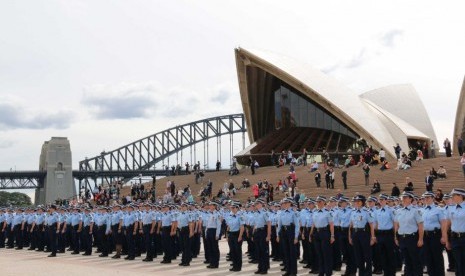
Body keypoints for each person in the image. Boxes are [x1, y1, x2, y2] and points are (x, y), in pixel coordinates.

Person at [394, 191, 424, 276]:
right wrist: (395, 237)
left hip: (412, 238)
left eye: (405, 197)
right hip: (402, 238)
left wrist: (421, 239)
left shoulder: (415, 211)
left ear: (410, 199)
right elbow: (397, 225)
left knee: (415, 259)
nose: (403, 199)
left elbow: (420, 226)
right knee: (406, 260)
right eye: (402, 197)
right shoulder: (398, 211)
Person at [349, 195, 376, 276]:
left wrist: (373, 237)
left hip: (364, 234)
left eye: (359, 201)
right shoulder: (353, 212)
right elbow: (351, 225)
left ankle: (368, 273)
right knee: (358, 255)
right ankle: (361, 273)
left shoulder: (367, 212)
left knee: (367, 255)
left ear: (363, 202)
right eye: (356, 201)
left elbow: (371, 226)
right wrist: (350, 237)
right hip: (355, 234)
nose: (356, 203)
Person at [421, 191, 446, 276]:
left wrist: (443, 236)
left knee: (437, 257)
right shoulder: (422, 210)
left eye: (428, 197)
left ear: (432, 198)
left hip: (435, 235)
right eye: (425, 198)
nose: (426, 199)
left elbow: (443, 223)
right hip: (425, 235)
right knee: (428, 257)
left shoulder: (438, 209)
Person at [310, 196, 335, 276]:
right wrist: (311, 234)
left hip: (324, 233)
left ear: (324, 202)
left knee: (326, 254)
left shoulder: (328, 212)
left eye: (320, 202)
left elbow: (331, 225)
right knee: (319, 254)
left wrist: (332, 236)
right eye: (317, 202)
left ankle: (328, 272)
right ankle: (321, 271)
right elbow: (313, 224)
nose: (318, 203)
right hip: (316, 233)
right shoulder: (315, 212)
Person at [374, 194, 396, 276]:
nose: (381, 201)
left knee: (390, 255)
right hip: (380, 234)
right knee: (382, 256)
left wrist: (395, 236)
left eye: (382, 199)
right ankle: (386, 273)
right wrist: (374, 236)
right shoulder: (377, 211)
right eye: (380, 200)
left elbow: (394, 223)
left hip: (388, 234)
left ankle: (392, 273)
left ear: (386, 201)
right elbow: (376, 224)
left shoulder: (391, 210)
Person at [444, 188, 465, 276]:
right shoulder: (451, 209)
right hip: (454, 238)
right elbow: (447, 225)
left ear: (460, 196)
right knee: (457, 261)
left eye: (454, 195)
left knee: (463, 262)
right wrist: (447, 240)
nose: (452, 197)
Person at [277, 197, 300, 276]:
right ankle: (288, 270)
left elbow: (297, 225)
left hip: (291, 232)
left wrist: (296, 237)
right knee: (286, 252)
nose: (284, 204)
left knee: (292, 253)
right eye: (284, 203)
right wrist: (278, 235)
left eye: (286, 203)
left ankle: (293, 272)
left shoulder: (294, 213)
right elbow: (279, 225)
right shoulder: (282, 212)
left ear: (290, 203)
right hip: (283, 232)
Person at [252, 199, 271, 274]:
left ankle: (264, 268)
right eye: (255, 204)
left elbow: (269, 224)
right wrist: (253, 234)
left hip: (263, 232)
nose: (255, 205)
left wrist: (268, 235)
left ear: (261, 204)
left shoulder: (265, 213)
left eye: (257, 204)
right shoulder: (256, 213)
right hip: (257, 232)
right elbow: (255, 224)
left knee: (264, 251)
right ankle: (260, 267)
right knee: (258, 251)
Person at [225, 202, 244, 272]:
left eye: (233, 208)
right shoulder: (229, 216)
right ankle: (234, 264)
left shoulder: (240, 216)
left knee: (237, 251)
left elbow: (242, 227)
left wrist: (240, 236)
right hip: (231, 234)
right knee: (232, 251)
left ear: (237, 208)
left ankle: (238, 266)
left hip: (237, 234)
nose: (232, 209)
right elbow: (228, 226)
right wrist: (227, 235)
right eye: (231, 208)